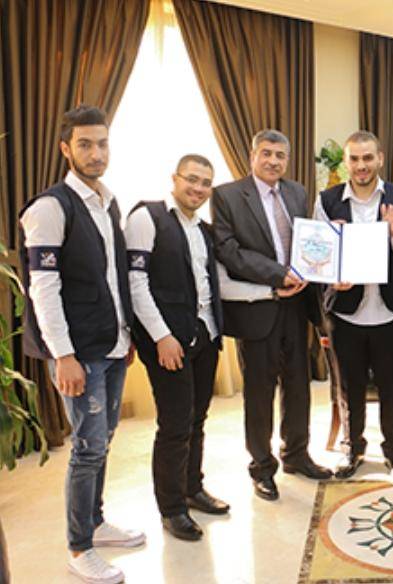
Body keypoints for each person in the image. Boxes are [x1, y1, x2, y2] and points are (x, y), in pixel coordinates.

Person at [19, 105, 143, 584]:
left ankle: (96, 521)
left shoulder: (107, 202)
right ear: (65, 149)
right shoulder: (50, 208)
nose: (96, 153)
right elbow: (43, 290)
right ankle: (79, 547)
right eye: (85, 144)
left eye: (102, 143)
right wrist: (64, 356)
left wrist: (126, 334)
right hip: (79, 353)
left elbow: (111, 278)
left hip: (111, 345)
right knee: (87, 448)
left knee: (103, 439)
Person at [212, 129, 331, 502]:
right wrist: (278, 275)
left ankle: (296, 455)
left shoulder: (296, 192)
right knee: (259, 393)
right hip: (258, 307)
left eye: (280, 155)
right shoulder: (228, 195)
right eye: (266, 153)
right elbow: (228, 251)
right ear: (252, 156)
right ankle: (262, 467)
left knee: (298, 385)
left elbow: (308, 242)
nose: (273, 161)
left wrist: (331, 241)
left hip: (297, 306)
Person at [125, 154, 229, 541]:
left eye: (205, 183)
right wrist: (161, 337)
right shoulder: (147, 218)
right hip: (167, 342)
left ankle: (192, 487)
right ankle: (171, 508)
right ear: (175, 178)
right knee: (174, 425)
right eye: (192, 179)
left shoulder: (204, 230)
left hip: (205, 335)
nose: (198, 188)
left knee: (197, 418)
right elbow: (136, 283)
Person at [314, 131, 393, 481]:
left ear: (380, 158)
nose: (361, 166)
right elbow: (317, 255)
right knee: (349, 388)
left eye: (368, 158)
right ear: (346, 162)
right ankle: (353, 449)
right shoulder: (327, 200)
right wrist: (333, 276)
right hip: (346, 313)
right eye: (355, 159)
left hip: (389, 310)